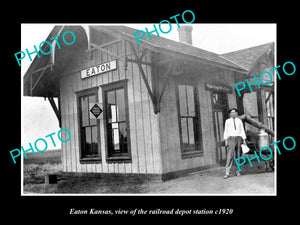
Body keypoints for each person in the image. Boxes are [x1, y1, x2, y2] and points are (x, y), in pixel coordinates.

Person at [223, 108, 246, 179]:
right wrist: (226, 140)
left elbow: (242, 130)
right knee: (230, 155)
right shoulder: (227, 121)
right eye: (232, 113)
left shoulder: (239, 121)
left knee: (238, 155)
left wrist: (244, 139)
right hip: (231, 139)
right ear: (230, 114)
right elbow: (226, 131)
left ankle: (238, 171)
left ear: (236, 113)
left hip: (239, 138)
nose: (233, 114)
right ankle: (227, 172)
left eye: (234, 112)